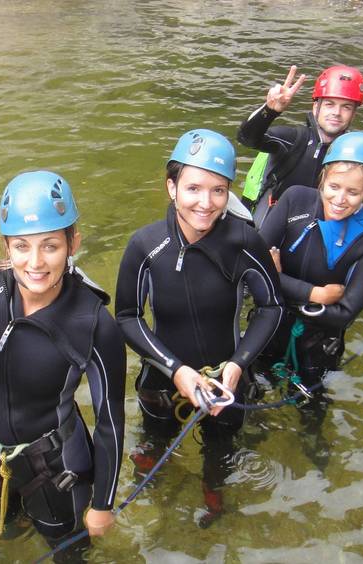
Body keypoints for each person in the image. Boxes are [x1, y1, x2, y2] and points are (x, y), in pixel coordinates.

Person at [0, 171, 126, 561]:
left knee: (70, 551)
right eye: (21, 246)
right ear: (6, 246)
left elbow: (110, 422)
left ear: (73, 244)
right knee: (3, 536)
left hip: (55, 467)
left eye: (50, 246)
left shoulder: (93, 322)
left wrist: (103, 503)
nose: (35, 262)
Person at [115, 129, 283, 528]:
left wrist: (239, 364)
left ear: (229, 193)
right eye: (193, 188)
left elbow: (272, 306)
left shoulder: (243, 241)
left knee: (220, 449)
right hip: (162, 379)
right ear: (171, 187)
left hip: (226, 379)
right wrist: (176, 369)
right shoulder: (146, 246)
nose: (205, 204)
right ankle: (153, 471)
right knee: (156, 438)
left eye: (218, 190)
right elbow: (127, 316)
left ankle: (213, 491)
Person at [257, 132, 363, 469]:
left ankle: (312, 438)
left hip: (319, 340)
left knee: (310, 398)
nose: (340, 199)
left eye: (353, 192)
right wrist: (313, 294)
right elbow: (252, 270)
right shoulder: (294, 200)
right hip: (271, 324)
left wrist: (278, 282)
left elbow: (344, 315)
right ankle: (255, 433)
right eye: (334, 187)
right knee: (256, 381)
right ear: (322, 178)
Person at [238, 64, 363, 226]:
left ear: (354, 114)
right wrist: (269, 110)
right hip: (269, 231)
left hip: (315, 235)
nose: (337, 112)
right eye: (329, 104)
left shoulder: (353, 156)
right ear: (315, 107)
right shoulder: (293, 140)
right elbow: (246, 138)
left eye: (346, 107)